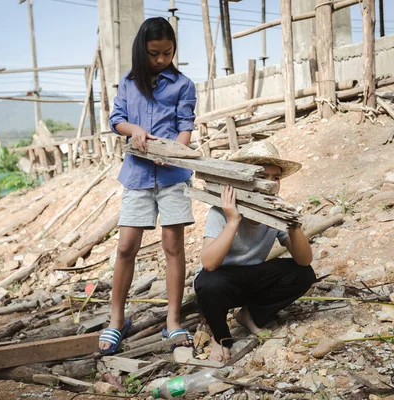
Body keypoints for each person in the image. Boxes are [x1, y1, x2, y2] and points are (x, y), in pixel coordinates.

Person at [98, 17, 197, 355]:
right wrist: (135, 130)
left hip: (173, 177)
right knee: (126, 246)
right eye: (154, 53)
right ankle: (116, 320)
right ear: (142, 50)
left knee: (173, 246)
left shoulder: (183, 85)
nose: (161, 60)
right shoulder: (128, 84)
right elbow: (116, 120)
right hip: (137, 176)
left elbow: (185, 127)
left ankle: (173, 320)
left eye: (167, 53)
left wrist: (174, 152)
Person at [194, 141, 316, 363]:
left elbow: (304, 259)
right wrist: (233, 220)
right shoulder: (220, 211)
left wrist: (293, 224)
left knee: (303, 273)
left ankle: (249, 315)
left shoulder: (275, 212)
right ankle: (220, 337)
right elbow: (209, 264)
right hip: (221, 283)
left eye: (275, 178)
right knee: (208, 283)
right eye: (262, 176)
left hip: (254, 279)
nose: (270, 184)